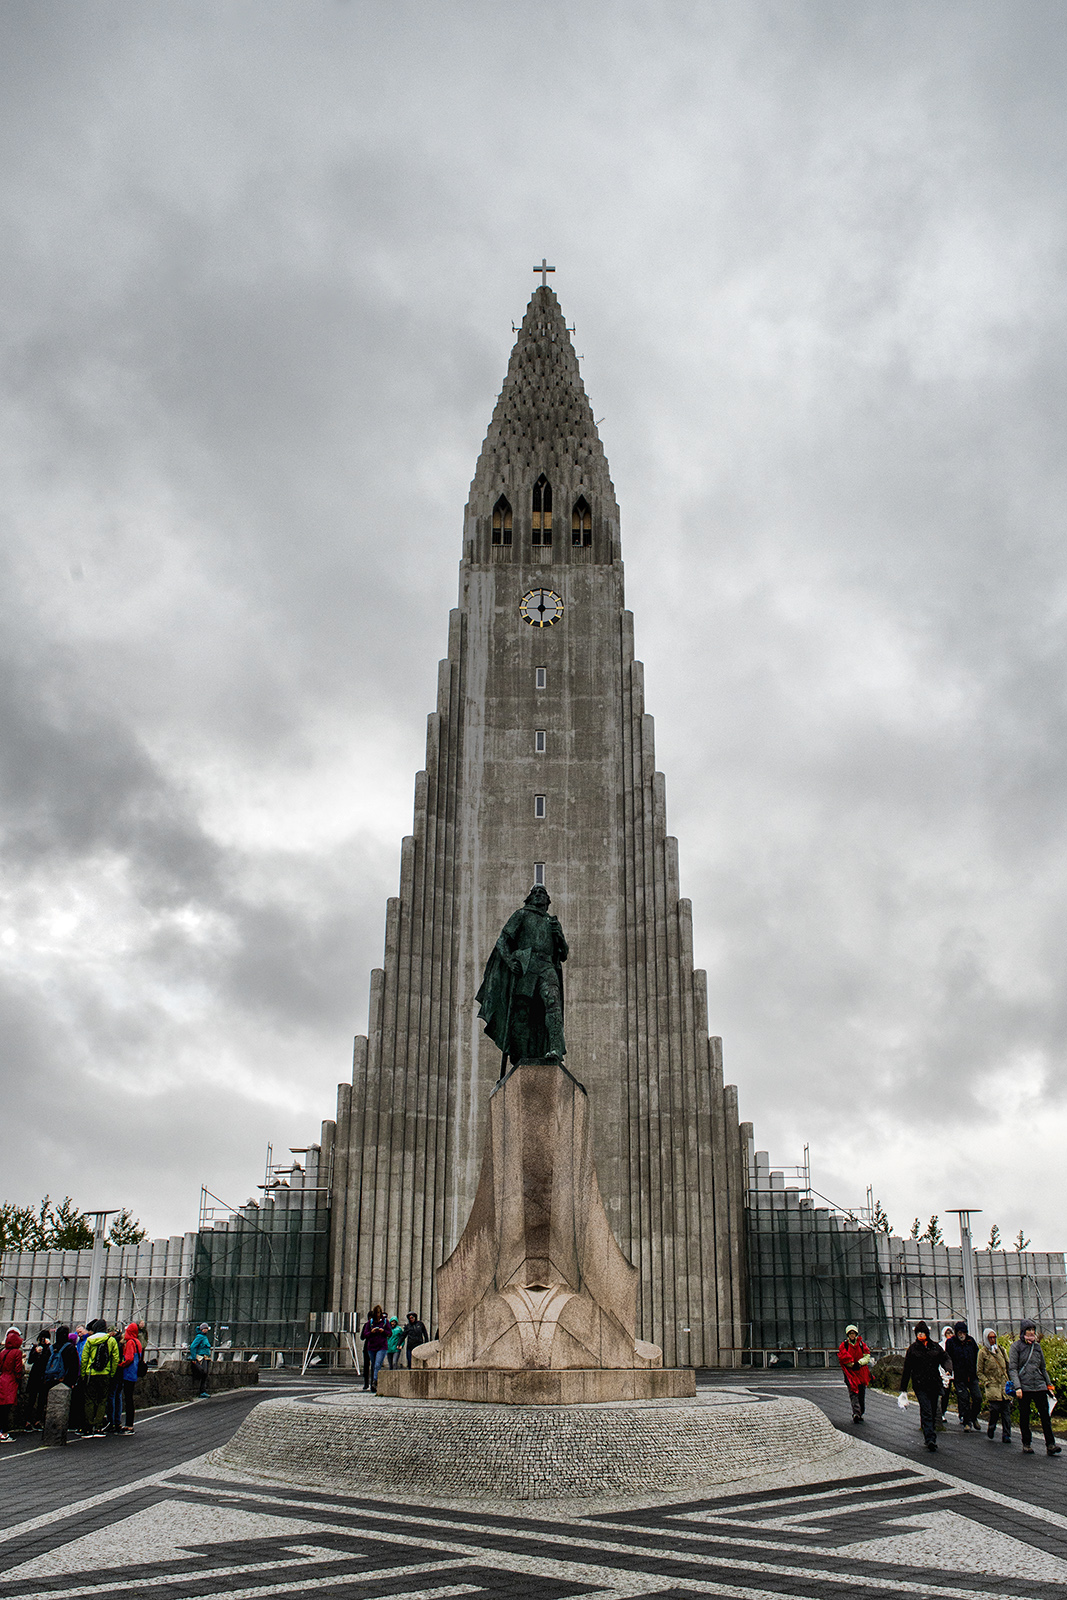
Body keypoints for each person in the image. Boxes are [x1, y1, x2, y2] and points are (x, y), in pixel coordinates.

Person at [476, 885, 569, 1071]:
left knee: (553, 1002)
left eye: (542, 893)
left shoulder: (552, 922)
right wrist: (510, 961)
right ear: (530, 898)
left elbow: (563, 954)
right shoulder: (522, 915)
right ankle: (520, 1054)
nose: (538, 895)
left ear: (548, 900)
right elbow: (502, 941)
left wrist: (559, 936)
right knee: (522, 1011)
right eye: (534, 893)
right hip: (527, 966)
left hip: (547, 966)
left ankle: (555, 1048)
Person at [1009, 1320, 1061, 1456]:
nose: (1032, 1332)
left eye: (1033, 1329)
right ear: (1023, 1331)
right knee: (1025, 1416)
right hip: (1024, 1387)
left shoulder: (1037, 1347)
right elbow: (1013, 1369)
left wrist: (1049, 1385)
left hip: (1039, 1385)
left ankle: (1051, 1444)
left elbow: (1042, 1368)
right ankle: (1026, 1443)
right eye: (1029, 1329)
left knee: (1045, 1416)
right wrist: (1017, 1387)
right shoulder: (1016, 1347)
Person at [900, 1320, 950, 1451]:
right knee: (926, 1409)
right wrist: (903, 1389)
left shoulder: (935, 1347)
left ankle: (929, 1430)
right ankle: (930, 1438)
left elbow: (945, 1358)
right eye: (918, 1333)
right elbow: (907, 1369)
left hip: (934, 1383)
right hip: (920, 1384)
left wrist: (948, 1368)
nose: (920, 1335)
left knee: (932, 1410)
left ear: (927, 1334)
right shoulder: (913, 1349)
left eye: (923, 1333)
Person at [79, 1319, 120, 1437]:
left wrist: (83, 1374)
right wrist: (111, 1373)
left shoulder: (89, 1340)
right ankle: (98, 1427)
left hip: (90, 1373)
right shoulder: (111, 1340)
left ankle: (88, 1427)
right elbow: (115, 1358)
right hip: (105, 1373)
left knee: (89, 1400)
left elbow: (84, 1358)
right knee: (102, 1400)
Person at [945, 1321, 982, 1431]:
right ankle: (967, 1422)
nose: (962, 1335)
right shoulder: (951, 1343)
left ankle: (973, 1416)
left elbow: (977, 1355)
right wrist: (949, 1370)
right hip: (959, 1376)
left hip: (972, 1375)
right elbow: (948, 1357)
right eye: (959, 1333)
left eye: (963, 1333)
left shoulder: (971, 1341)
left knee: (978, 1397)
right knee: (964, 1399)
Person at [977, 1328, 1011, 1443]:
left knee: (1006, 1412)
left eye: (994, 1337)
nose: (992, 1340)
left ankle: (1006, 1435)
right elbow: (979, 1371)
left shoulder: (1001, 1350)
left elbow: (1008, 1366)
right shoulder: (983, 1353)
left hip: (1004, 1385)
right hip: (992, 1385)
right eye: (990, 1338)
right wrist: (986, 1381)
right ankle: (991, 1427)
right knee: (995, 1410)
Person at [837, 1324, 872, 1423]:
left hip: (861, 1372)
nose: (852, 1335)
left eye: (853, 1333)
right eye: (850, 1333)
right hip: (850, 1373)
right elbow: (842, 1357)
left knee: (861, 1392)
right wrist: (851, 1364)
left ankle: (860, 1411)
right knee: (853, 1392)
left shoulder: (861, 1344)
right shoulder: (844, 1345)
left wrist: (859, 1363)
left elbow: (867, 1356)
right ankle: (856, 1413)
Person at [0, 1329, 25, 1443]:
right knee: (6, 1409)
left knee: (1, 1408)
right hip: (10, 1381)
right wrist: (19, 1379)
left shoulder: (3, 1352)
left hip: (2, 1379)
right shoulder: (17, 1352)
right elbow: (18, 1369)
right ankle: (4, 1433)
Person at [25, 1328, 52, 1430]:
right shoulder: (35, 1347)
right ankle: (27, 1421)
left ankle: (37, 1420)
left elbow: (49, 1360)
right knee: (31, 1400)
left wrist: (48, 1347)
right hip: (35, 1375)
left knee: (41, 1400)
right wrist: (36, 1352)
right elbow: (30, 1361)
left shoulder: (49, 1349)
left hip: (43, 1376)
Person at [360, 1306, 390, 1392]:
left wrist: (383, 1331)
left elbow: (389, 1333)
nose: (377, 1315)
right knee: (372, 1365)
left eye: (379, 1313)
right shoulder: (369, 1323)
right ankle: (368, 1383)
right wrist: (371, 1332)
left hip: (381, 1346)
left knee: (377, 1364)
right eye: (376, 1313)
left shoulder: (385, 1322)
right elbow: (363, 1335)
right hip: (370, 1347)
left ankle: (374, 1382)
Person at [188, 1324, 212, 1397]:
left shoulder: (204, 1337)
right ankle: (202, 1391)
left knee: (205, 1373)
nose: (206, 1330)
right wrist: (194, 1358)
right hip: (200, 1357)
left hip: (205, 1357)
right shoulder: (199, 1337)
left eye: (207, 1329)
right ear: (202, 1329)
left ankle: (203, 1391)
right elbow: (193, 1347)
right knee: (203, 1372)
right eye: (205, 1329)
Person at [938, 1325, 955, 1427]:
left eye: (951, 1333)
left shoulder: (954, 1345)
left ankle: (943, 1412)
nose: (949, 1335)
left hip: (952, 1373)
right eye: (947, 1333)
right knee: (943, 1393)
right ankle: (941, 1413)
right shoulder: (941, 1346)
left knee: (948, 1394)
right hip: (942, 1373)